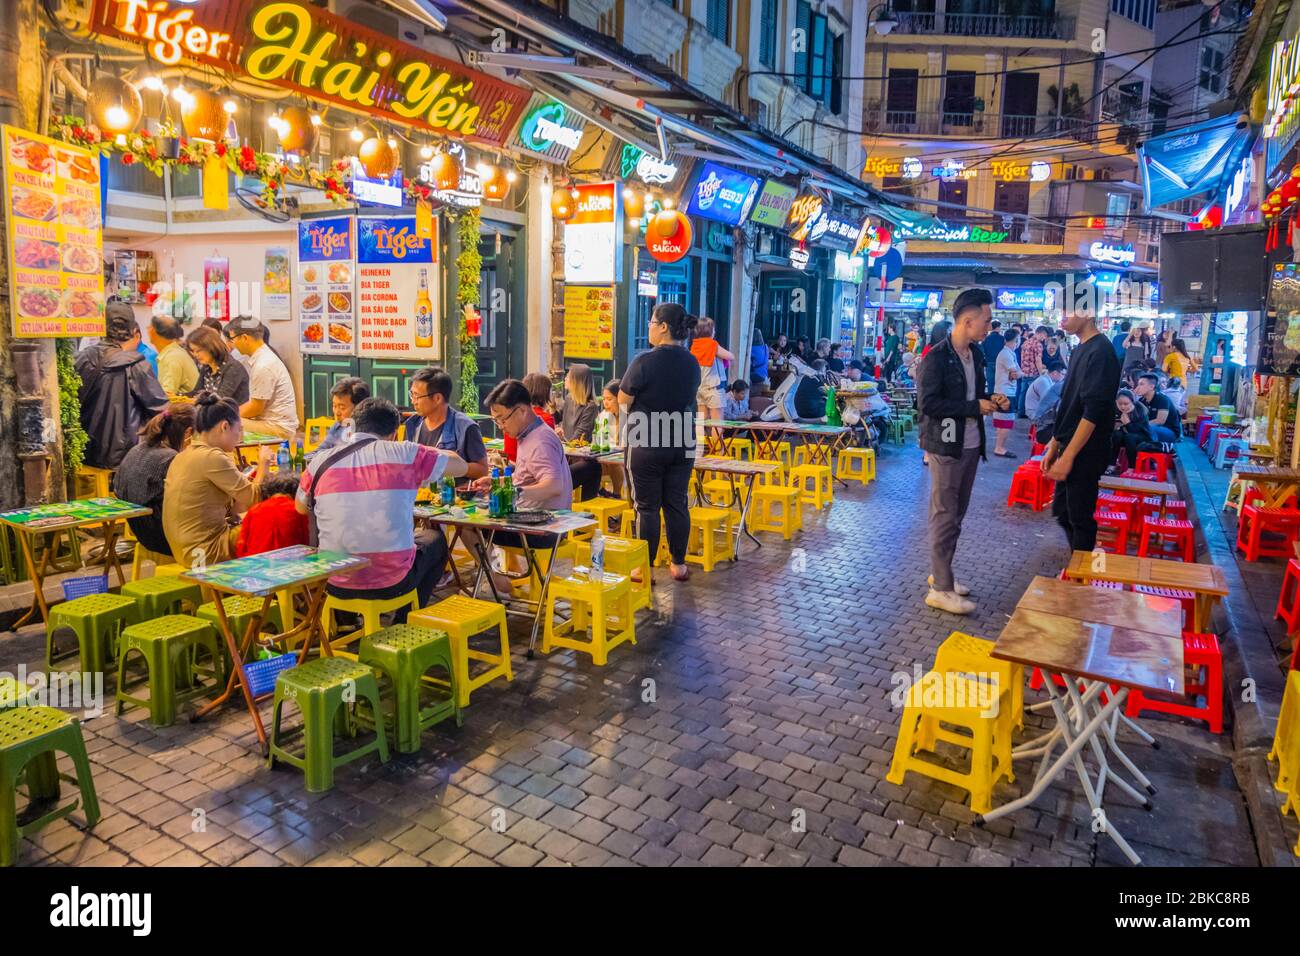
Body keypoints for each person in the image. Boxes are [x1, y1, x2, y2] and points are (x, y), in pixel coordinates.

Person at [297, 398, 468, 618]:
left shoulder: (320, 461)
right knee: (435, 540)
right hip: (392, 582)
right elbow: (461, 466)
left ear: (353, 426)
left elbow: (301, 508)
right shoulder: (406, 453)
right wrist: (419, 448)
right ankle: (404, 620)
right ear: (394, 433)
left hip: (334, 582)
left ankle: (346, 620)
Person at [918, 288, 1003, 615]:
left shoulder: (976, 354)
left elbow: (975, 394)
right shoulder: (935, 357)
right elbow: (928, 405)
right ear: (968, 321)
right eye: (986, 319)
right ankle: (940, 589)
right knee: (944, 515)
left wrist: (991, 399)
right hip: (945, 444)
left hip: (970, 443)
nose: (989, 326)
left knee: (957, 515)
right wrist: (972, 407)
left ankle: (944, 576)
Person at [620, 302, 700, 583]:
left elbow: (623, 400)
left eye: (652, 323)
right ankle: (678, 564)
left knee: (646, 506)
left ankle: (644, 568)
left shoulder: (644, 361)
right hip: (682, 440)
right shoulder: (691, 362)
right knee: (676, 503)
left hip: (646, 441)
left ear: (664, 326)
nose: (650, 328)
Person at [1041, 307, 1121, 552]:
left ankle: (1082, 579)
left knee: (1080, 518)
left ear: (1088, 312)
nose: (1061, 316)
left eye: (1067, 309)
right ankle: (1080, 567)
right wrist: (1055, 444)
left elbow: (1093, 410)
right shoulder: (1080, 347)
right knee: (1063, 512)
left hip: (1087, 449)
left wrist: (1069, 456)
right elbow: (1068, 401)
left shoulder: (1102, 351)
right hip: (1069, 442)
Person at [162, 393, 271, 568]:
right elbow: (254, 497)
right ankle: (279, 591)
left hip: (183, 550)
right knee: (272, 524)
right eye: (239, 429)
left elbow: (238, 505)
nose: (239, 436)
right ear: (225, 426)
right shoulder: (213, 457)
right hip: (203, 553)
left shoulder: (183, 455)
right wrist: (263, 464)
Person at [75, 301, 169, 470]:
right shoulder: (135, 364)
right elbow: (161, 409)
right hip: (123, 457)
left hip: (83, 451)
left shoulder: (81, 358)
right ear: (133, 331)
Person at [112, 403, 195, 558]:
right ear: (188, 432)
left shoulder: (137, 449)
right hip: (166, 540)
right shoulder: (170, 458)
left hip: (141, 534)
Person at [401, 366, 489, 481]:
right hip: (419, 496)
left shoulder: (465, 427)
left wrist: (455, 466)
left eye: (417, 396)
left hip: (452, 496)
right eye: (412, 394)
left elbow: (482, 470)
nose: (413, 401)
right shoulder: (412, 424)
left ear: (437, 398)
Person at [227, 314, 298, 439]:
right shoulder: (263, 356)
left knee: (224, 423)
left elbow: (256, 408)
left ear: (244, 338)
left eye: (232, 339)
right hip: (269, 422)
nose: (232, 344)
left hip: (278, 427)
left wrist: (229, 413)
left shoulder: (263, 365)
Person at [235, 470, 309, 558]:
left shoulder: (254, 510)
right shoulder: (298, 510)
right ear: (297, 491)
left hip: (255, 564)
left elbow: (241, 546)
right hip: (289, 563)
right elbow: (307, 541)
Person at [557, 364, 601, 500]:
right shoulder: (569, 400)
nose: (565, 378)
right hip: (564, 458)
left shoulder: (590, 407)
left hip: (575, 457)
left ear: (576, 381)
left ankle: (586, 508)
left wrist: (563, 437)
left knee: (594, 466)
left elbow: (580, 436)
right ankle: (586, 510)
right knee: (595, 468)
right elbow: (563, 426)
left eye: (568, 376)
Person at [185, 325, 250, 405]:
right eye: (193, 351)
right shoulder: (207, 367)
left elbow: (219, 399)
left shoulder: (233, 367)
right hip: (211, 413)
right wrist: (177, 396)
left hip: (230, 415)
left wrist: (196, 401)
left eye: (198, 351)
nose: (195, 355)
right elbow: (197, 392)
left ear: (211, 347)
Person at [505, 373, 558, 463]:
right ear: (545, 394)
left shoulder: (511, 415)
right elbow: (547, 453)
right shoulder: (545, 419)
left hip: (510, 464)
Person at [690, 317, 733, 422]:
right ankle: (716, 439)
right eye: (713, 329)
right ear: (709, 330)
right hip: (714, 389)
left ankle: (700, 439)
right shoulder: (712, 345)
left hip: (700, 388)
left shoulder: (694, 345)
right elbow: (731, 356)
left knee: (702, 422)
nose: (715, 331)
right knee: (717, 423)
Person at [314, 377, 370, 454]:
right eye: (334, 406)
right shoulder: (337, 426)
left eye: (342, 407)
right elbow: (320, 451)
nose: (337, 413)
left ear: (359, 407)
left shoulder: (369, 432)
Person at [149, 314, 199, 397]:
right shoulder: (172, 352)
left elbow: (166, 396)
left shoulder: (172, 357)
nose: (147, 329)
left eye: (149, 327)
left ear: (153, 331)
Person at [992, 327, 1023, 458]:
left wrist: (1018, 373)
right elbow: (1016, 374)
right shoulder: (1006, 354)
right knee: (1006, 422)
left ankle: (999, 446)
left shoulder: (1009, 353)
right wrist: (1018, 374)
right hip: (1005, 393)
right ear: (1016, 340)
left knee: (1001, 421)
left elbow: (1017, 373)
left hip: (1002, 391)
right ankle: (999, 448)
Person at [1134, 372, 1181, 443]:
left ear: (1151, 386)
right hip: (1150, 428)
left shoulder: (1162, 399)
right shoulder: (1142, 400)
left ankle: (1156, 449)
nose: (1138, 387)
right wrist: (1134, 396)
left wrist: (1140, 425)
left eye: (1141, 384)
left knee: (1149, 428)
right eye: (1138, 384)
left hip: (1170, 431)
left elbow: (1160, 421)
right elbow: (1138, 418)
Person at [1112, 388, 1153, 468]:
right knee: (1116, 435)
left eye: (1126, 404)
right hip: (1124, 436)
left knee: (1130, 437)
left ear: (1132, 402)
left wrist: (1127, 422)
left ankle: (1132, 466)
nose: (1122, 406)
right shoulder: (1114, 410)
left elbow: (1135, 431)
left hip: (1141, 437)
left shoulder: (1140, 410)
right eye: (1120, 404)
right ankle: (1112, 464)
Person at [1017, 326, 1047, 418]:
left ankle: (1021, 412)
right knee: (1033, 395)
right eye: (1044, 335)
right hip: (1033, 373)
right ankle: (1032, 414)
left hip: (1024, 372)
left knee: (1023, 393)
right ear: (1039, 333)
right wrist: (1041, 373)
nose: (1044, 338)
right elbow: (1038, 360)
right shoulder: (1038, 344)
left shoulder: (1026, 342)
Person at [982, 318, 1004, 388]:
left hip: (989, 363)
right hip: (1000, 363)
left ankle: (990, 398)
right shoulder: (1002, 339)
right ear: (998, 327)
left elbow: (983, 351)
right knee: (1000, 385)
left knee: (990, 385)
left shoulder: (986, 338)